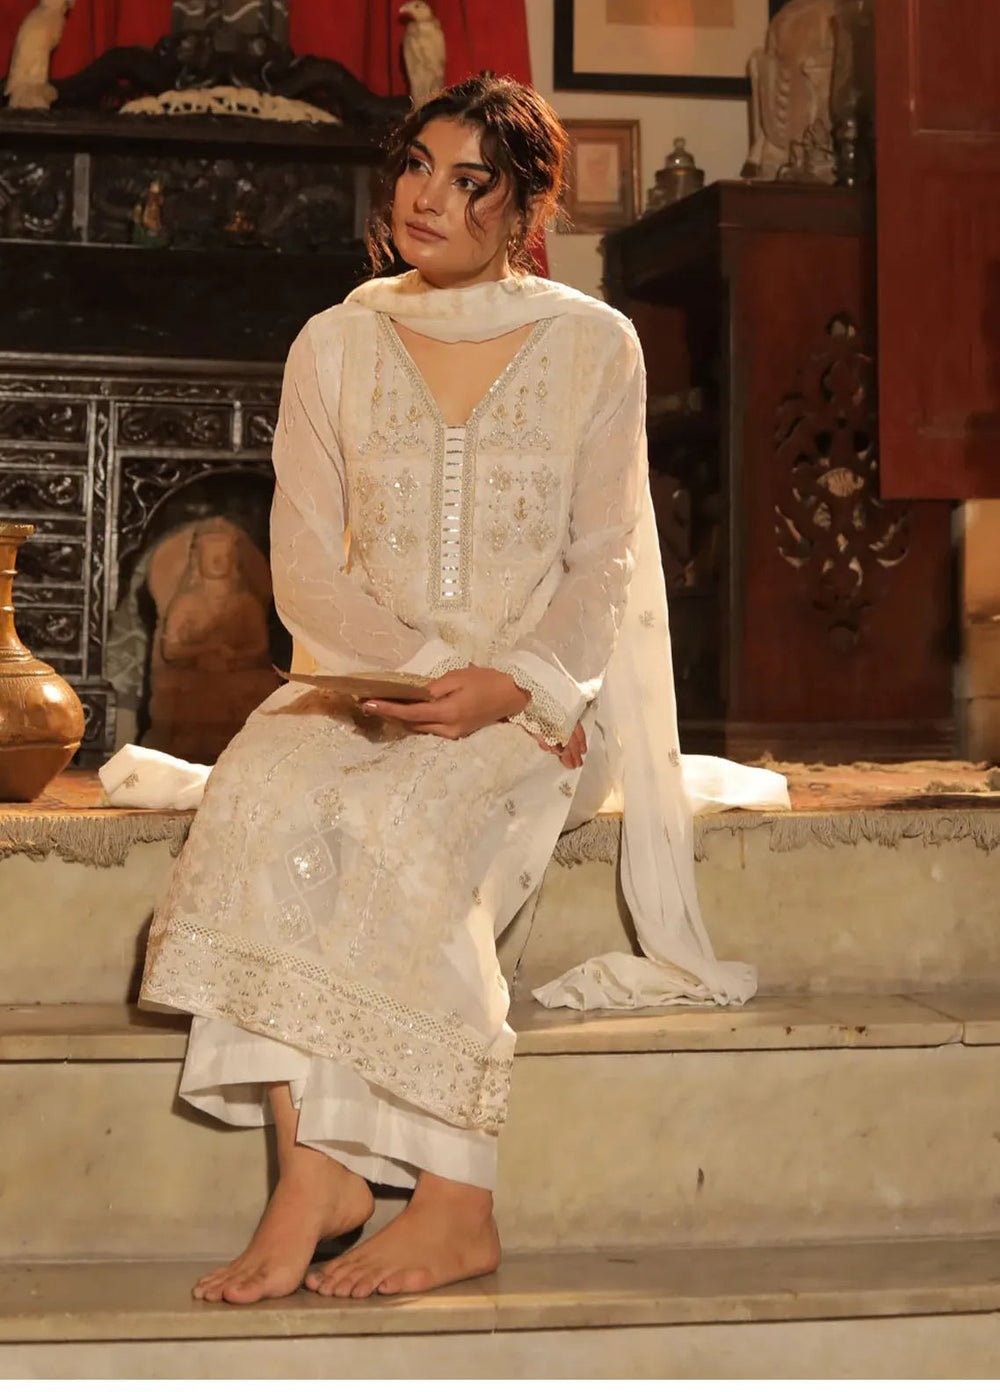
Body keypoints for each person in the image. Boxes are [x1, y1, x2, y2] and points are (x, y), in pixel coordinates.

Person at [139, 74, 756, 1307]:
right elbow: (304, 564)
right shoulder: (334, 341)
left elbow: (605, 562)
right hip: (356, 680)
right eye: (416, 166)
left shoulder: (594, 344)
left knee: (403, 822)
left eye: (469, 181)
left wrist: (513, 688)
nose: (426, 197)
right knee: (260, 795)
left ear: (524, 207)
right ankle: (314, 1177)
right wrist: (416, 678)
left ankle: (458, 1200)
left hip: (531, 704)